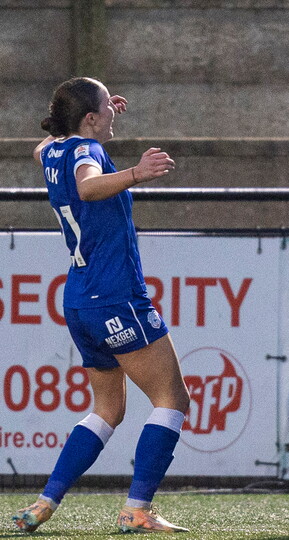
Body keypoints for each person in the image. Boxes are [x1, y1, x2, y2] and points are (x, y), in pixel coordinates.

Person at [13, 77, 189, 534]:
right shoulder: (86, 155)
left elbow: (47, 147)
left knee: (108, 409)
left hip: (79, 299)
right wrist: (136, 173)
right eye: (105, 111)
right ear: (90, 119)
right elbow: (89, 187)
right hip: (114, 295)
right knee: (172, 399)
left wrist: (87, 115)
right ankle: (137, 509)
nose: (113, 115)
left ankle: (45, 501)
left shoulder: (53, 151)